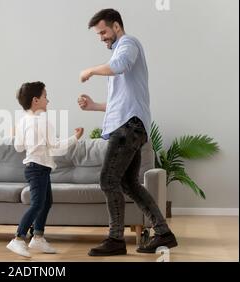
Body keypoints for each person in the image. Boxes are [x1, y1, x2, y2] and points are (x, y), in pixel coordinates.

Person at [78, 9, 177, 256]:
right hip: (129, 124)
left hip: (128, 126)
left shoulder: (128, 44)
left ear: (117, 27)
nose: (101, 37)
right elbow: (121, 101)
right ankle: (163, 232)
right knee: (127, 182)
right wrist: (94, 106)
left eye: (103, 31)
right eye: (98, 34)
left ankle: (115, 239)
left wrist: (90, 70)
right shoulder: (118, 53)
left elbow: (119, 66)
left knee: (107, 180)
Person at [8, 81, 84, 257]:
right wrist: (76, 137)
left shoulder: (22, 122)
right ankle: (18, 239)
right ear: (36, 100)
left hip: (34, 168)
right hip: (38, 168)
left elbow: (19, 147)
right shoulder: (43, 122)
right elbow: (56, 147)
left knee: (46, 202)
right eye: (45, 97)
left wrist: (16, 133)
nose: (48, 100)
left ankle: (38, 238)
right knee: (37, 204)